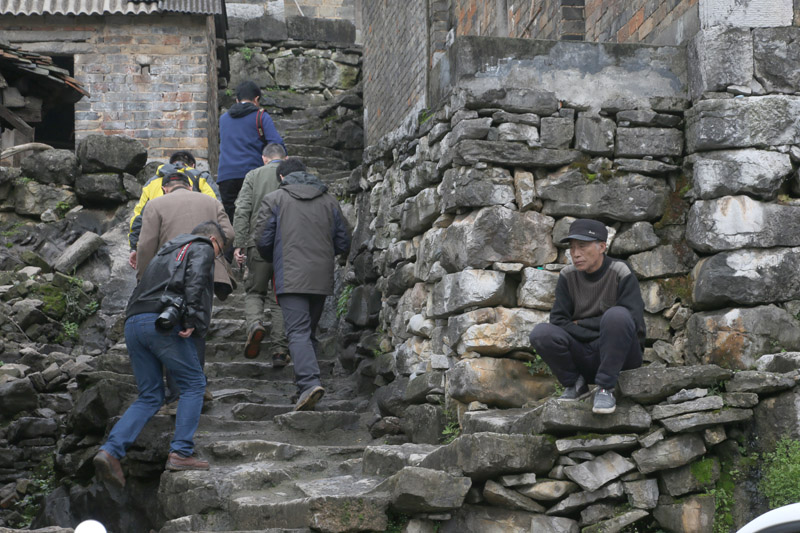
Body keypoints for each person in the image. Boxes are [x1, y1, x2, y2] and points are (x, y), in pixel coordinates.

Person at [93, 221, 227, 488]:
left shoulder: (165, 251)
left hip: (133, 323)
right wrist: (191, 319)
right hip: (159, 324)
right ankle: (181, 452)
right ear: (213, 239)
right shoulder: (201, 246)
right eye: (219, 252)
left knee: (151, 395)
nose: (216, 257)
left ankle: (111, 450)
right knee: (194, 383)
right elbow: (196, 280)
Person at [254, 158, 350, 411]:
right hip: (321, 276)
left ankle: (309, 384)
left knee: (297, 332)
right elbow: (343, 240)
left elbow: (262, 240)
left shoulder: (274, 199)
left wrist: (276, 257)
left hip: (290, 275)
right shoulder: (329, 201)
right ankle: (304, 389)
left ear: (282, 177)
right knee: (307, 332)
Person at [136, 170, 235, 405]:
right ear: (190, 186)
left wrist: (144, 278)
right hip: (206, 270)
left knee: (174, 328)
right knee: (197, 325)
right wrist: (213, 253)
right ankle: (197, 383)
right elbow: (229, 234)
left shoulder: (155, 204)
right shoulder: (211, 201)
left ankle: (180, 391)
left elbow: (146, 245)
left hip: (169, 275)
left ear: (164, 189)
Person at [529, 219, 645, 415]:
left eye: (582, 246)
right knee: (541, 333)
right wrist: (599, 330)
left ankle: (605, 388)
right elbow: (558, 321)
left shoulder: (620, 271)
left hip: (621, 357)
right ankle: (575, 384)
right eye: (572, 247)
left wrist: (581, 324)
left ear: (602, 247)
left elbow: (632, 320)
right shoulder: (567, 276)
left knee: (616, 316)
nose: (575, 253)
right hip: (586, 356)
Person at [232, 143, 289, 364]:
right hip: (286, 245)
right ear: (285, 158)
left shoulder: (253, 175)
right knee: (279, 298)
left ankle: (255, 324)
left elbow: (242, 210)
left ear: (264, 158)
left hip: (257, 243)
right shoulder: (291, 174)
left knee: (255, 292)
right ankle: (279, 351)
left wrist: (239, 244)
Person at [128, 150, 220, 270]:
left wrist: (134, 247)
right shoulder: (200, 177)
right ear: (192, 165)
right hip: (197, 246)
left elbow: (139, 217)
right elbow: (217, 208)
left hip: (162, 249)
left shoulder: (151, 182)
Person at [217, 80, 285, 223]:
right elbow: (276, 144)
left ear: (237, 100)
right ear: (256, 99)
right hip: (252, 174)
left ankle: (234, 238)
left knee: (231, 219)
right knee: (255, 217)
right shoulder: (261, 116)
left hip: (226, 176)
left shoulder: (223, 119)